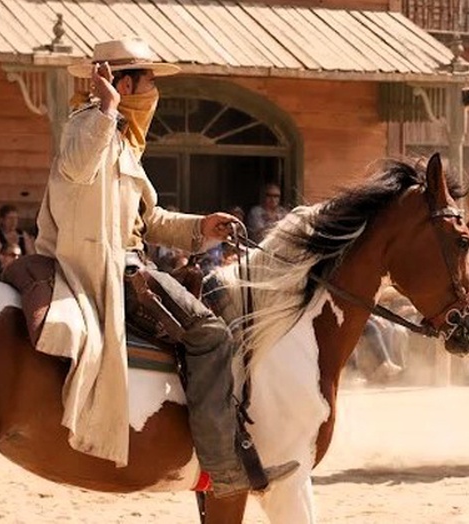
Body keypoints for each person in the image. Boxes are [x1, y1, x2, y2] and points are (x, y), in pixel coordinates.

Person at [35, 36, 294, 497]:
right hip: (114, 269)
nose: (155, 93)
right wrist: (106, 106)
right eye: (149, 81)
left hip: (133, 258)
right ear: (123, 83)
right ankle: (225, 470)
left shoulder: (122, 144)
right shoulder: (87, 128)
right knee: (212, 334)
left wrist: (203, 226)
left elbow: (149, 220)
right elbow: (75, 168)